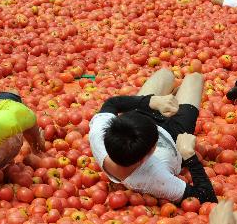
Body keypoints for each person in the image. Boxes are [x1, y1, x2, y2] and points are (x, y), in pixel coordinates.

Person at [88, 68, 217, 204]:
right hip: (175, 137)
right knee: (195, 78)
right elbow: (206, 197)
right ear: (146, 158)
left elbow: (111, 103)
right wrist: (189, 156)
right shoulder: (154, 179)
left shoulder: (98, 134)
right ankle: (176, 96)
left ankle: (170, 98)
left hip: (140, 118)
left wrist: (151, 102)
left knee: (165, 74)